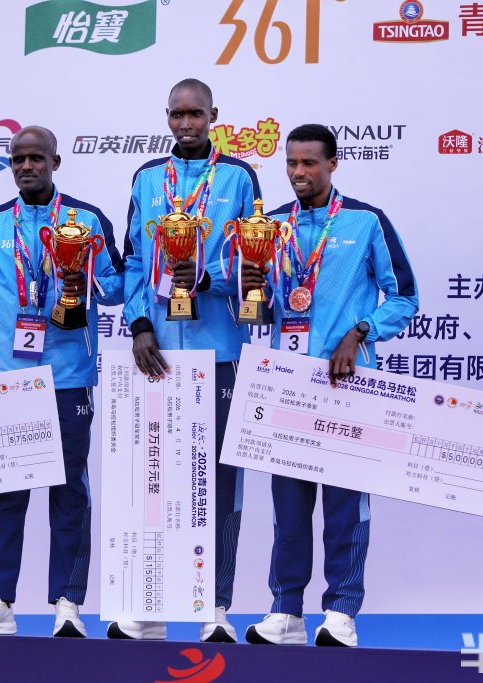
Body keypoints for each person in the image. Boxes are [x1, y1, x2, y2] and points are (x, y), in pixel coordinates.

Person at [0, 126, 125, 638]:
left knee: (69, 491)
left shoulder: (87, 220)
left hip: (69, 378)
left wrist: (86, 277)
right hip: (9, 380)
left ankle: (68, 603)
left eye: (36, 158)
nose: (26, 167)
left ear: (55, 163)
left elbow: (116, 290)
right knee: (5, 491)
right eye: (18, 159)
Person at [242, 124, 419, 646]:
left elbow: (404, 297)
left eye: (309, 163)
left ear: (332, 164)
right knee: (289, 508)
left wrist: (360, 332)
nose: (299, 172)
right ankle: (286, 612)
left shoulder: (366, 221)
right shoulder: (270, 226)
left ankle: (341, 612)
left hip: (347, 384)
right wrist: (252, 294)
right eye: (291, 163)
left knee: (345, 506)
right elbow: (261, 309)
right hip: (288, 386)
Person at [108, 78, 261, 644]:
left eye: (196, 114)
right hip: (157, 355)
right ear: (167, 117)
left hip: (219, 352)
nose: (187, 124)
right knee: (156, 483)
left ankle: (215, 607)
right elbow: (132, 261)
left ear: (213, 115)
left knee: (218, 484)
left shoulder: (239, 177)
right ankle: (151, 604)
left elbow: (254, 261)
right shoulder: (148, 177)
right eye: (178, 115)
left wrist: (208, 277)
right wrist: (139, 324)